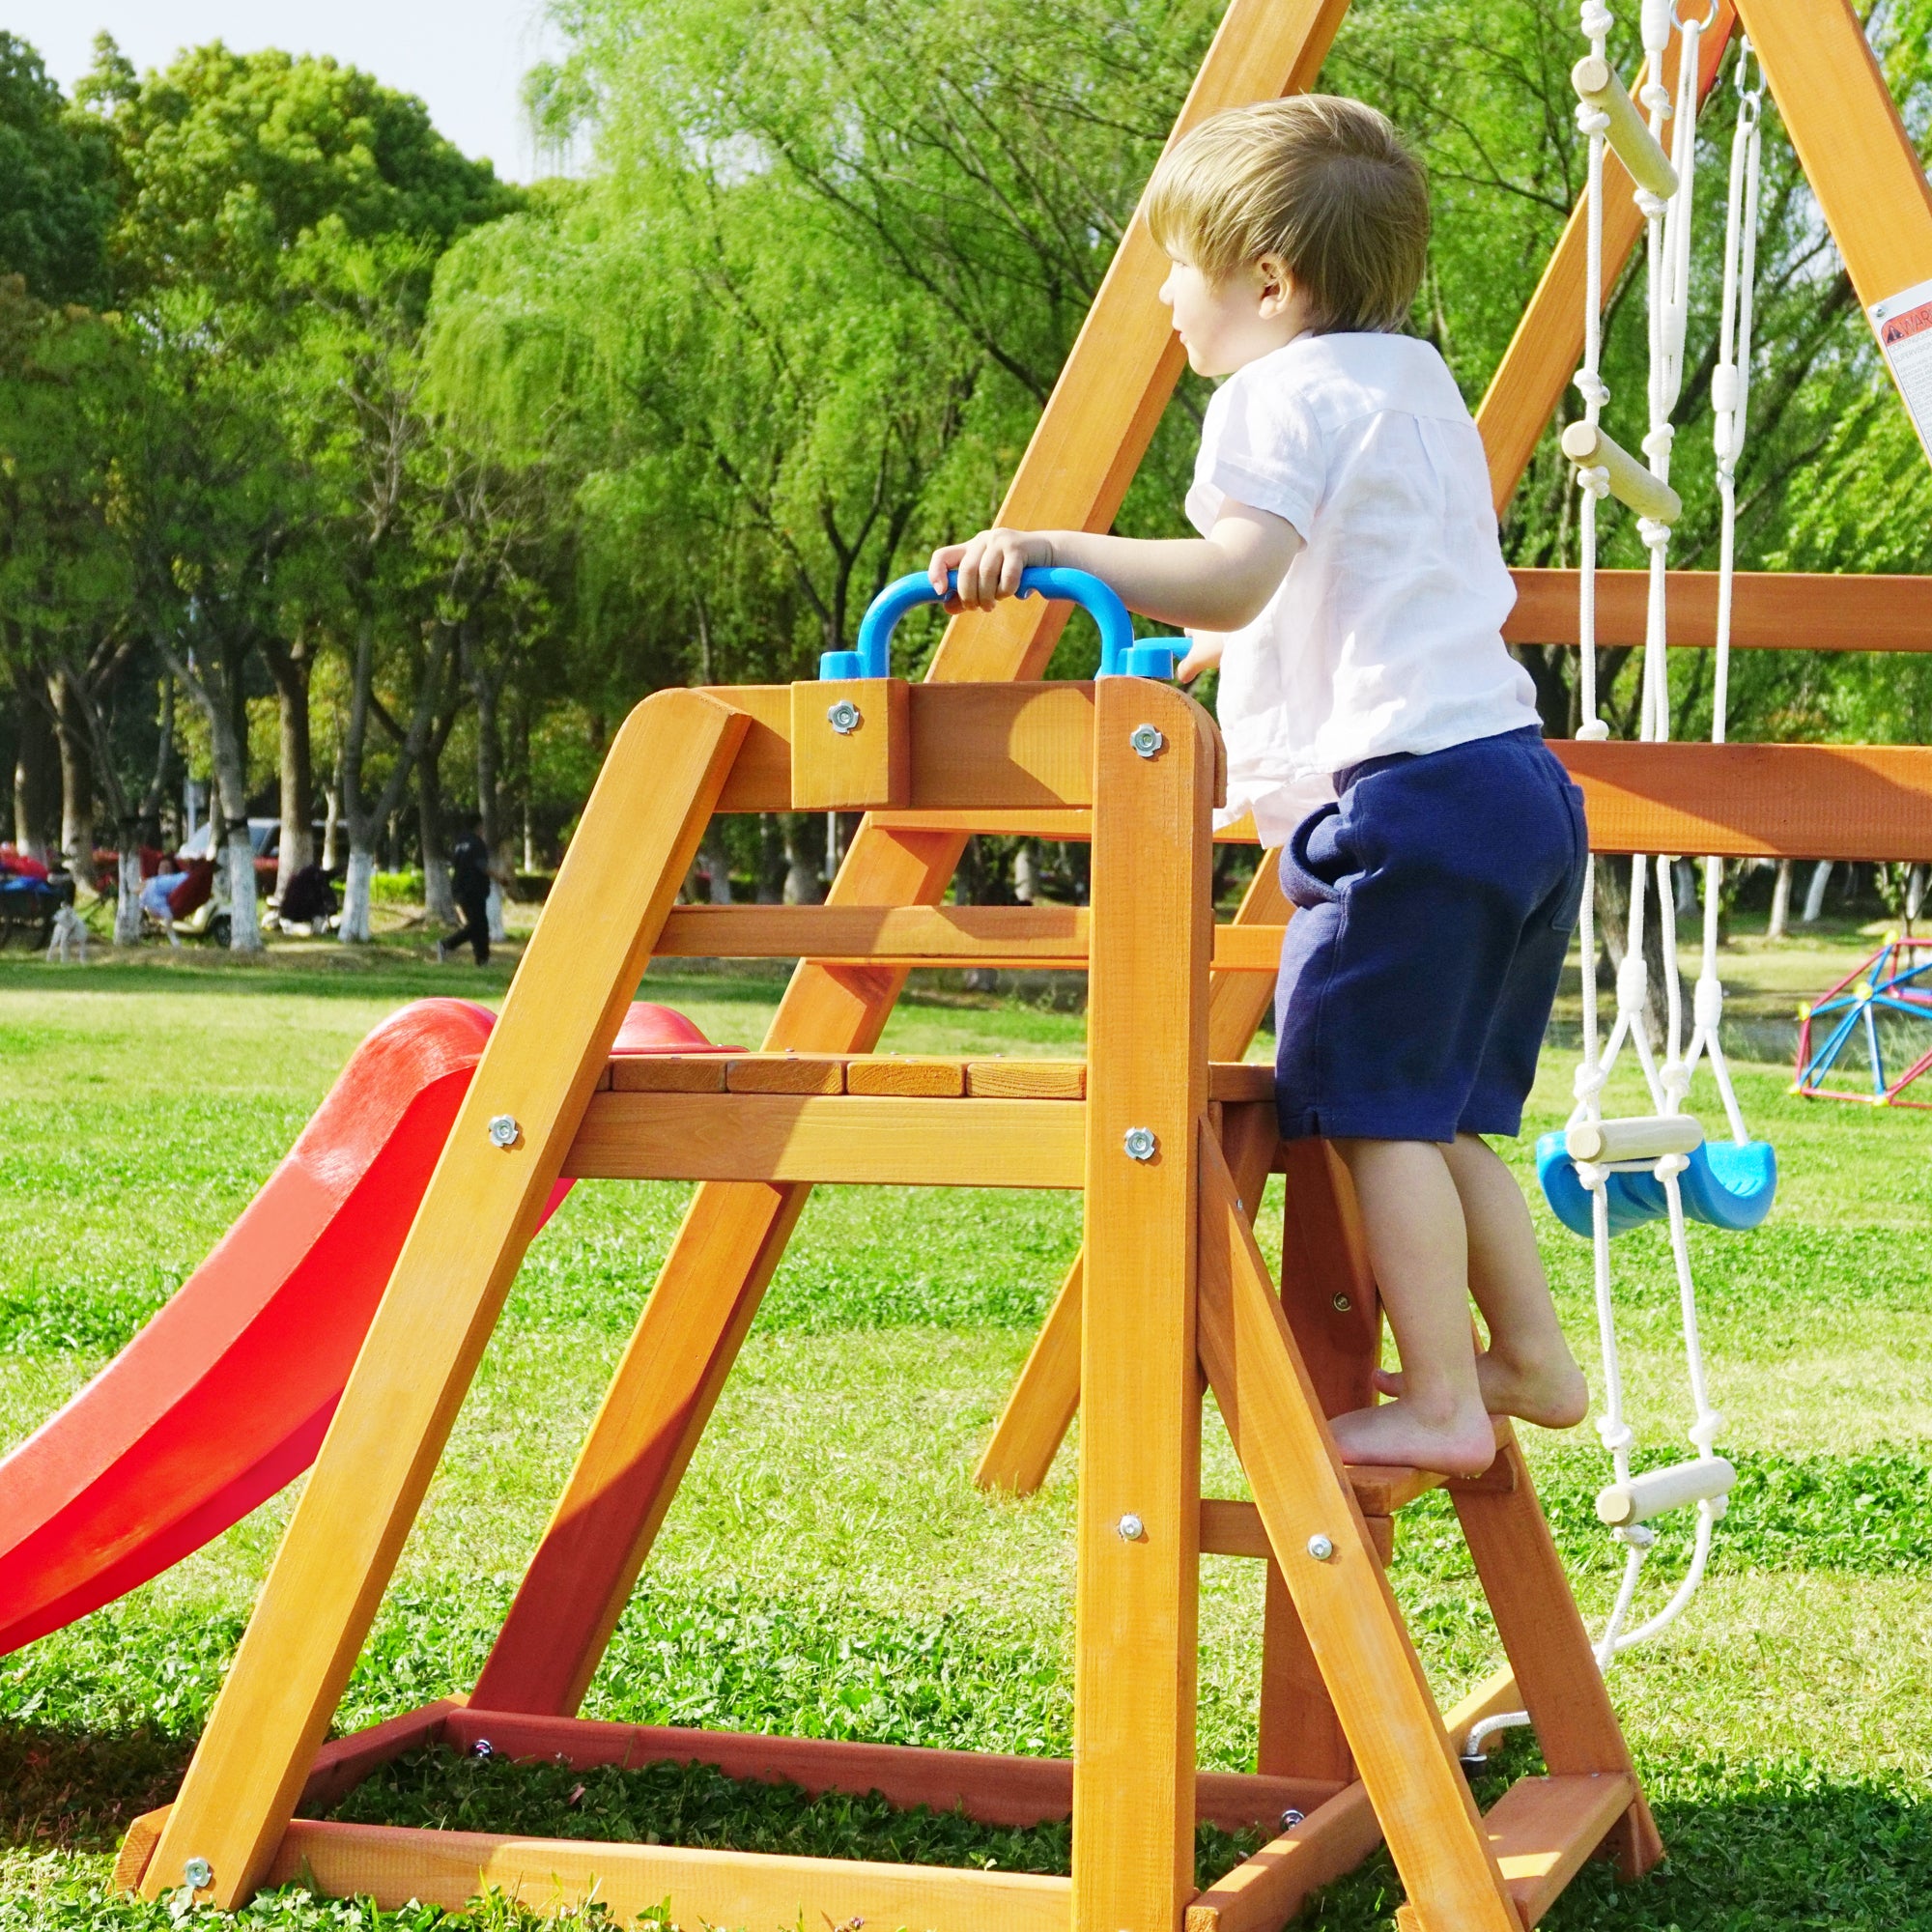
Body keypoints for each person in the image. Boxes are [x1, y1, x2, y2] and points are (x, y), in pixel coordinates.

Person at [926, 96, 1589, 1476]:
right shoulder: (1411, 387)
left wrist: (1057, 545)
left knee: (1365, 1105)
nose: (1166, 296)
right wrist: (1205, 645)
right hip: (1512, 788)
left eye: (1180, 266)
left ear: (1271, 287)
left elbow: (1238, 570)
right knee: (1445, 1105)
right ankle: (1528, 1355)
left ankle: (1449, 1407)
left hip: (1403, 804)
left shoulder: (1268, 399)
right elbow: (1315, 594)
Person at [439, 814, 496, 965]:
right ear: (478, 826)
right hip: (474, 889)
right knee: (477, 926)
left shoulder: (460, 843)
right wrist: (499, 877)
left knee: (479, 925)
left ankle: (482, 958)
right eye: (482, 826)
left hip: (459, 888)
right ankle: (446, 944)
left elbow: (455, 863)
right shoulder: (477, 843)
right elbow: (481, 866)